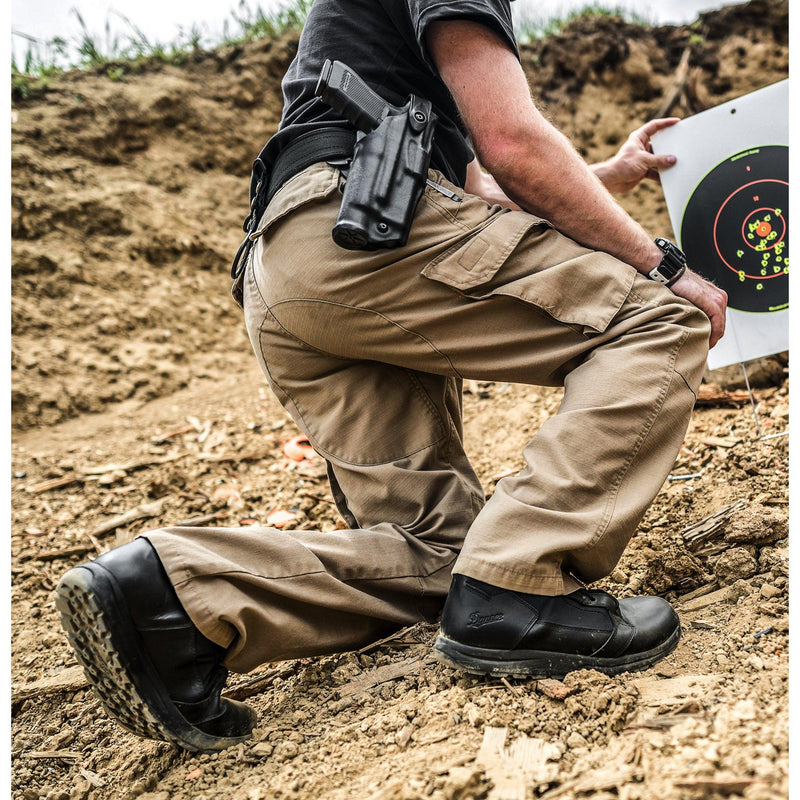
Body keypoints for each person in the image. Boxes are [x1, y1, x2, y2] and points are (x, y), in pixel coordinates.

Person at [56, 0, 727, 753]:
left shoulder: (361, 27)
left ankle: (179, 593)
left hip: (292, 265)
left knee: (441, 551)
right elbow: (513, 143)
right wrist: (663, 265)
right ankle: (524, 580)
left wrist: (608, 177)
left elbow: (481, 183)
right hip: (368, 225)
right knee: (661, 319)